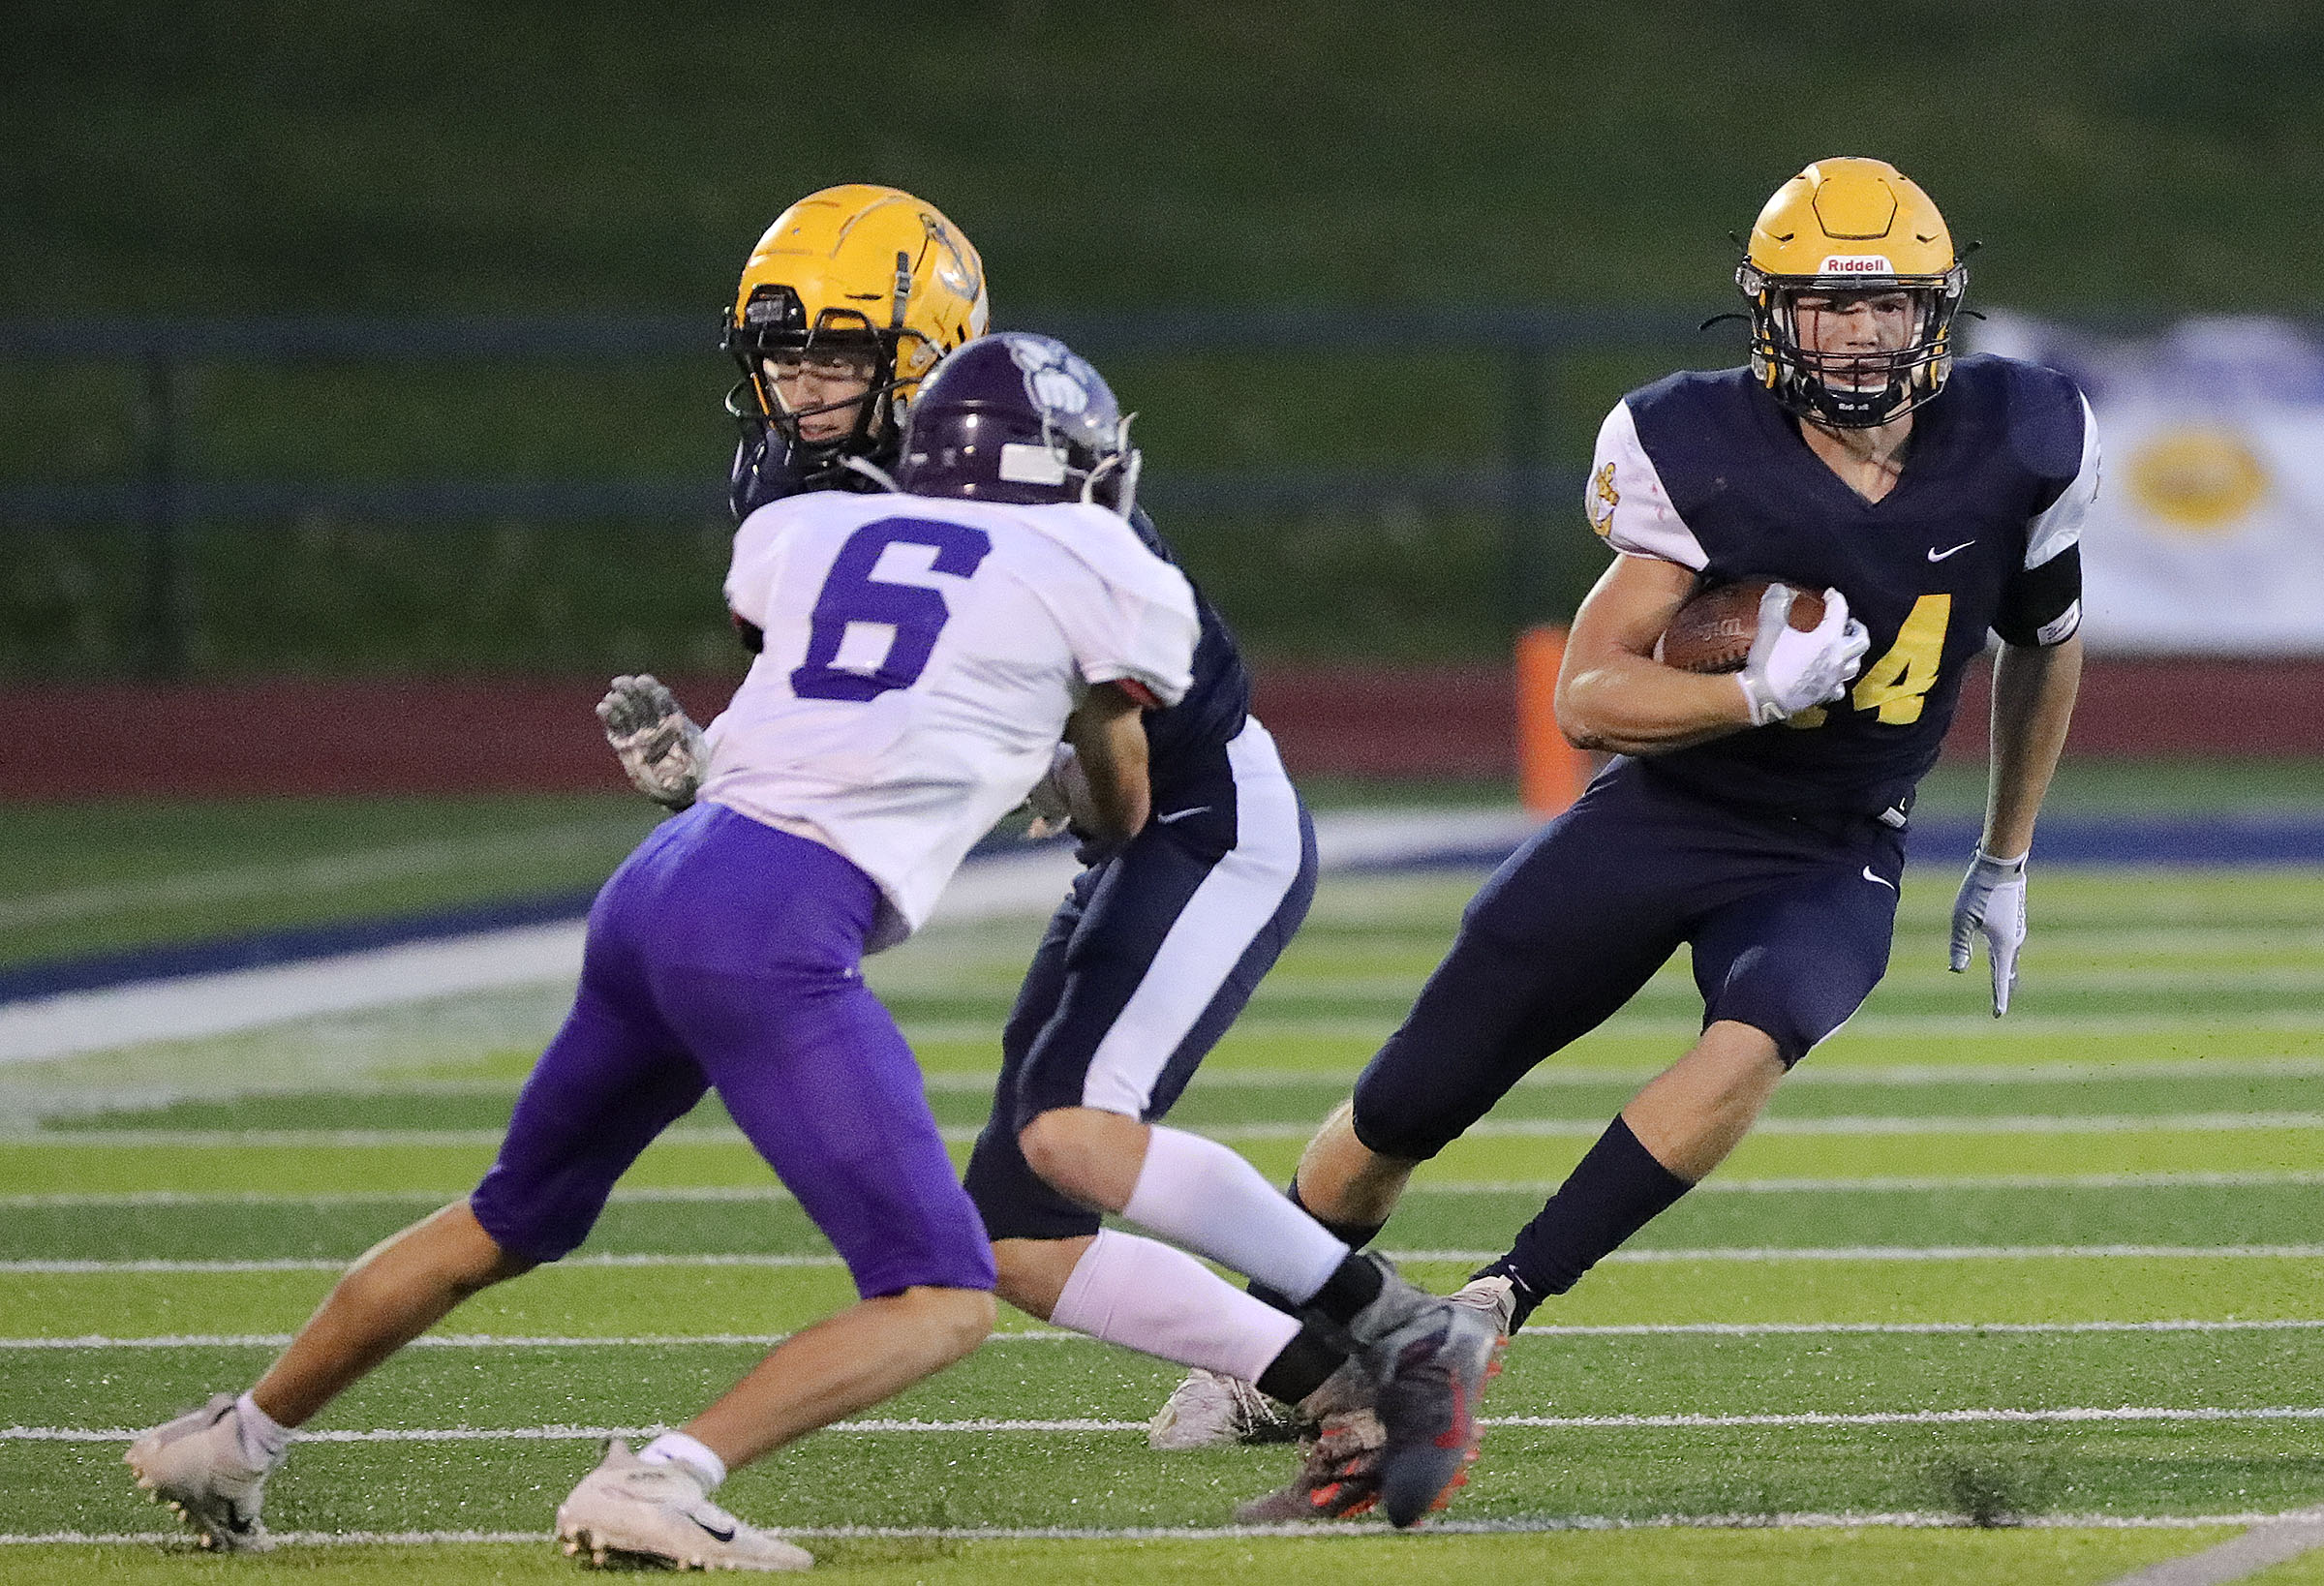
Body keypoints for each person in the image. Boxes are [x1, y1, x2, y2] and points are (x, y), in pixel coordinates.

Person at [125, 325, 1215, 1570]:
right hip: (774, 919)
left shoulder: (820, 528)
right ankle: (662, 1478)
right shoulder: (1103, 572)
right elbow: (1126, 809)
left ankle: (237, 1440)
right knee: (944, 1296)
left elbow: (858, 681)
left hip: (662, 883)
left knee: (510, 1216)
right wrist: (1068, 765)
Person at [1161, 156, 2096, 1516]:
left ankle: (1495, 1300)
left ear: (1934, 313)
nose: (1854, 335)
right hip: (1671, 807)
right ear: (1767, 318)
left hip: (1836, 840)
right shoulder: (1692, 441)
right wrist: (1751, 690)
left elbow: (2047, 645)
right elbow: (1587, 695)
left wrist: (2006, 854)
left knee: (1760, 1029)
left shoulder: (2025, 435)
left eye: (1884, 305)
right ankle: (1270, 1351)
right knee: (1401, 1109)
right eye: (1821, 308)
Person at [617, 189, 1501, 1529]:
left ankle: (1400, 1326)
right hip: (1110, 811)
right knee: (1021, 1241)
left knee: (1081, 1128)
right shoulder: (794, 479)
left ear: (922, 356)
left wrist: (1030, 759)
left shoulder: (1019, 455)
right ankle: (1345, 1391)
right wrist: (726, 759)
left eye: (841, 353)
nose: (802, 382)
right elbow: (825, 683)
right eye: (782, 350)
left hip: (1193, 810)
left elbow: (1122, 789)